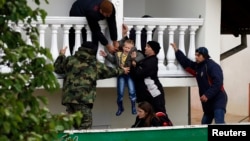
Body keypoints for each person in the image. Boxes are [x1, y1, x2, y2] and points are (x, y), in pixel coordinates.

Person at [53, 41, 130, 129]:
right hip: (83, 100)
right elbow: (110, 71)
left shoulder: (70, 60)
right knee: (85, 128)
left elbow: (57, 68)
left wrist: (61, 55)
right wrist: (122, 70)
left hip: (69, 99)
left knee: (74, 126)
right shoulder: (94, 64)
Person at [170, 43, 228, 124]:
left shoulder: (213, 66)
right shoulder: (198, 66)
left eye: (198, 55)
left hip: (218, 99)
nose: (196, 57)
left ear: (204, 56)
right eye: (195, 55)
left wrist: (207, 95)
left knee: (219, 122)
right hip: (207, 102)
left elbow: (218, 83)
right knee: (204, 125)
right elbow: (186, 62)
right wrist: (177, 51)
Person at [130, 41, 173, 125]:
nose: (145, 48)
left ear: (153, 50)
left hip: (154, 95)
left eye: (148, 46)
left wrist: (133, 63)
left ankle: (167, 132)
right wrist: (125, 36)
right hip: (147, 95)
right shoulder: (146, 59)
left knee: (160, 116)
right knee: (144, 116)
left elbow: (137, 74)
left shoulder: (152, 62)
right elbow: (133, 49)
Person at [99, 39, 144, 116]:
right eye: (125, 47)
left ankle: (133, 107)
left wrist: (134, 58)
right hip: (121, 74)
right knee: (120, 93)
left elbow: (141, 57)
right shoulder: (118, 54)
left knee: (132, 92)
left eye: (129, 48)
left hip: (129, 74)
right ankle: (120, 108)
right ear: (123, 47)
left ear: (131, 49)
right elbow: (113, 60)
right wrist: (106, 55)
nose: (126, 49)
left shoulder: (132, 55)